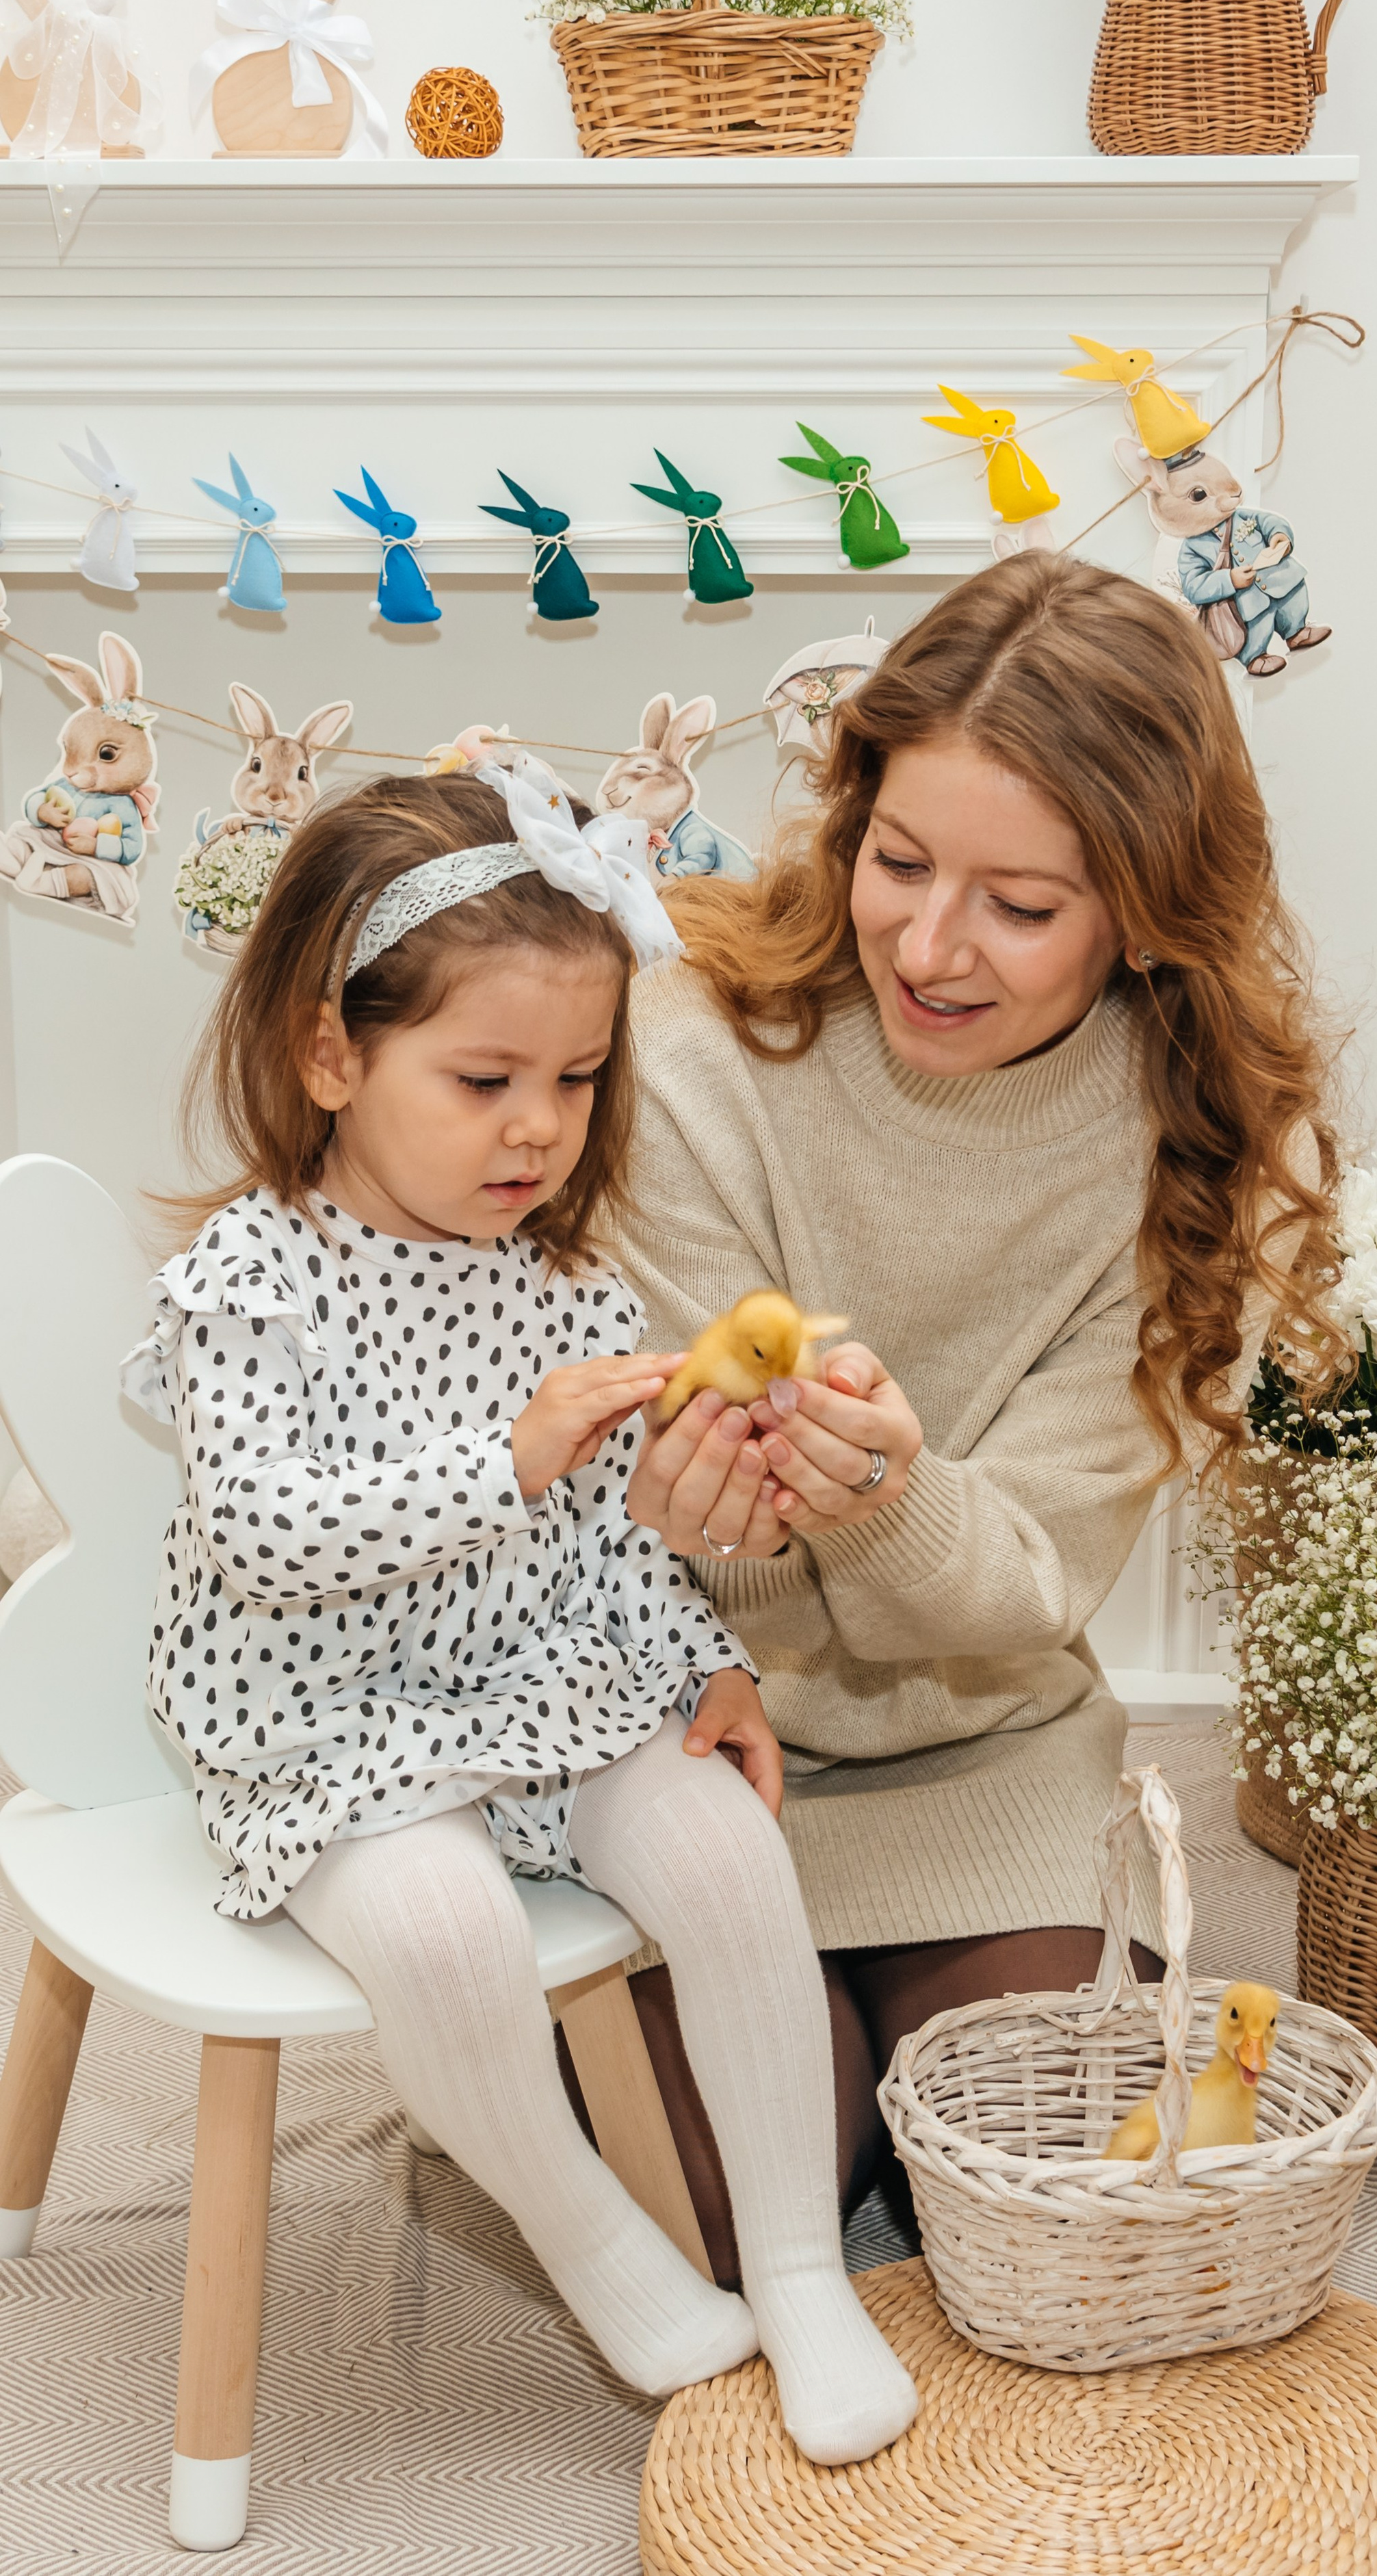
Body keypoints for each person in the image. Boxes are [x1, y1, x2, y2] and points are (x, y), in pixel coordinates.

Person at [121, 757, 915, 2467]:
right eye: (482, 1078)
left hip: (536, 1680)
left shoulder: (562, 1275)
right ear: (333, 1053)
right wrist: (506, 1452)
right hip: (322, 1721)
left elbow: (616, 1536)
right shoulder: (250, 1284)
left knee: (722, 1852)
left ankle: (797, 2268)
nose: (537, 1128)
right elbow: (264, 1532)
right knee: (446, 1931)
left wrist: (710, 1664)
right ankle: (597, 2249)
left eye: (572, 1077)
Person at [609, 551, 1341, 2281]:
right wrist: (685, 1510)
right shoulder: (687, 1051)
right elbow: (685, 1561)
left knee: (1050, 2202)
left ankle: (876, 2043)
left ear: (1145, 910)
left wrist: (873, 1498)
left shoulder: (1190, 1144)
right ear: (848, 818)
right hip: (690, 1745)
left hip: (987, 1749)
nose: (930, 946)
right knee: (723, 2223)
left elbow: (1023, 1586)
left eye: (1018, 904)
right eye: (898, 862)